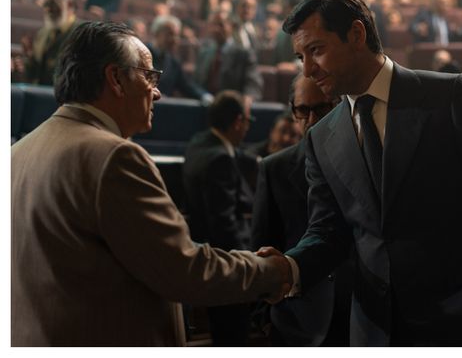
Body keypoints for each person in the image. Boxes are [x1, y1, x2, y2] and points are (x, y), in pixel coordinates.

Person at [259, 0, 462, 346]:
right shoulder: (321, 136)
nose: (308, 69)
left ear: (356, 34)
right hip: (373, 330)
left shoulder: (449, 96)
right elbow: (327, 232)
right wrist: (290, 267)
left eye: (316, 50)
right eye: (300, 57)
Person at [11, 21, 291, 346]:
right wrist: (273, 271)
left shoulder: (18, 152)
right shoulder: (115, 157)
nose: (157, 92)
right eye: (149, 76)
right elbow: (184, 272)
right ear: (116, 78)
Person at [252, 74, 350, 346]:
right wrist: (264, 317)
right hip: (297, 320)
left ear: (341, 106)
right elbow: (262, 242)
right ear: (293, 111)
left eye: (322, 108)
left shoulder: (363, 160)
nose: (312, 120)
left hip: (359, 315)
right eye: (303, 110)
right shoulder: (274, 168)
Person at [183, 90, 258, 345]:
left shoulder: (198, 143)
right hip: (225, 264)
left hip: (202, 251)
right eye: (247, 121)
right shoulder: (220, 160)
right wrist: (248, 266)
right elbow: (225, 225)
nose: (247, 128)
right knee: (233, 335)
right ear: (238, 122)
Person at [20, 0, 82, 85]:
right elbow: (35, 74)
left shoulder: (83, 34)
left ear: (70, 4)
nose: (48, 9)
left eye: (54, 4)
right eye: (46, 4)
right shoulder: (43, 33)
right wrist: (28, 58)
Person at [194, 11, 263, 101]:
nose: (216, 29)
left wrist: (248, 98)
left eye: (221, 25)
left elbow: (253, 84)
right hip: (204, 104)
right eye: (214, 25)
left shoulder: (243, 54)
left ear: (232, 27)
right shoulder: (204, 53)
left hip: (230, 105)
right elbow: (196, 82)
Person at [147, 15, 212, 104]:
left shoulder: (174, 63)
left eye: (176, 35)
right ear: (156, 33)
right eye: (170, 34)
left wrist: (205, 96)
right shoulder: (142, 56)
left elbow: (186, 86)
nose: (174, 39)